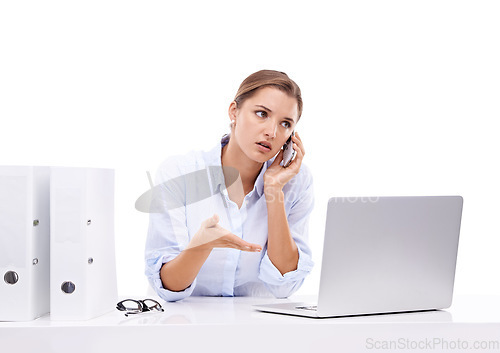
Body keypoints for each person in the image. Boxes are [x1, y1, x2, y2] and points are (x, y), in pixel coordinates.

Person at [145, 70, 314, 302]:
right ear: (234, 111)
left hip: (259, 327)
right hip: (185, 324)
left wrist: (274, 191)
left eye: (285, 123)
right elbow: (168, 286)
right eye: (261, 113)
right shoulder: (180, 172)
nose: (272, 132)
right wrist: (202, 246)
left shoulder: (296, 181)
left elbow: (284, 285)